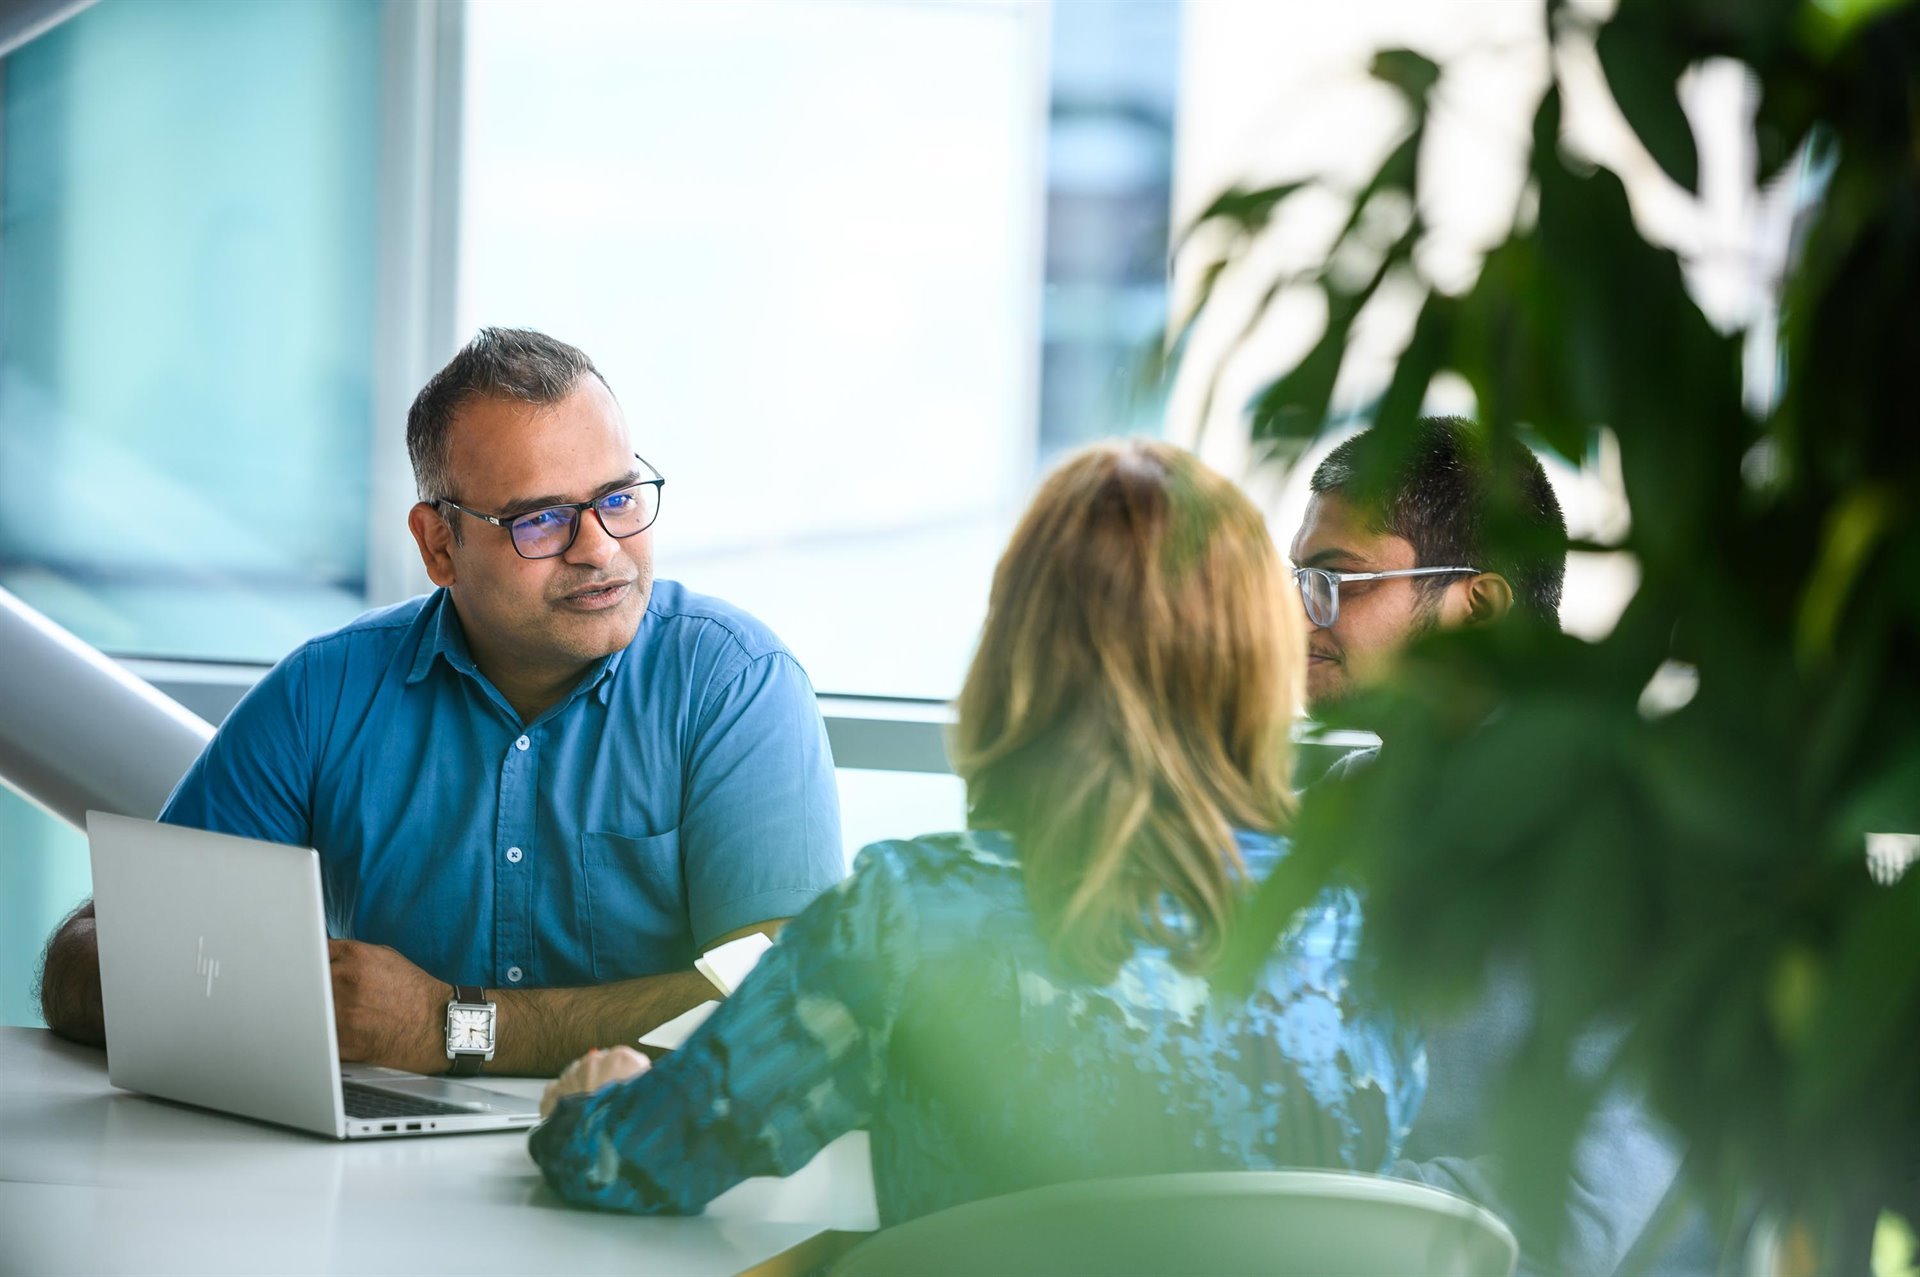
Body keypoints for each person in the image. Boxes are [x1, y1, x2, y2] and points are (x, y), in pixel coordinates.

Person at [528, 438, 1425, 1224]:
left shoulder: (906, 917)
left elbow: (626, 1163)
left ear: (1017, 651)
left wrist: (592, 1106)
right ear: (1258, 661)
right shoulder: (1371, 931)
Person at [36, 328, 844, 1076]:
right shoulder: (326, 693)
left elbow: (791, 1002)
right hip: (372, 1183)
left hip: (653, 1177)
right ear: (438, 545)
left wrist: (447, 1026)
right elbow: (88, 954)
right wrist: (274, 988)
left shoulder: (736, 685)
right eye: (543, 520)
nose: (599, 548)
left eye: (620, 498)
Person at [1292, 416, 1711, 1276]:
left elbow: (1578, 1218)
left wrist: (1300, 1224)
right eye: (1300, 582)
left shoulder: (1628, 832)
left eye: (1339, 583)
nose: (1303, 619)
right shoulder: (1334, 813)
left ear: (1477, 608)